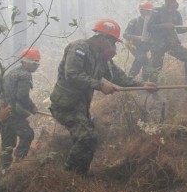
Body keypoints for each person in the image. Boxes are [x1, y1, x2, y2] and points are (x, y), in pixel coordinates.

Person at [49, 19, 157, 176]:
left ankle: (80, 175)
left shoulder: (101, 57)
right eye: (112, 42)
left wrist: (143, 85)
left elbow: (119, 77)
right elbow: (72, 74)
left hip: (80, 105)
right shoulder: (79, 48)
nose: (112, 46)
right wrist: (100, 85)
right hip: (65, 104)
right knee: (86, 138)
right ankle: (67, 176)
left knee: (89, 140)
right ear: (102, 37)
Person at [0, 48, 41, 172]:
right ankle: (18, 164)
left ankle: (4, 169)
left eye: (37, 64)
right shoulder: (24, 75)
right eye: (35, 64)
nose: (36, 67)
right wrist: (32, 107)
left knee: (8, 142)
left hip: (2, 110)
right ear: (27, 62)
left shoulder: (12, 73)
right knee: (28, 134)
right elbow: (22, 97)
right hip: (11, 113)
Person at [146, 0, 187, 83]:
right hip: (157, 45)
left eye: (172, 0)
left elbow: (179, 30)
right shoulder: (157, 11)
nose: (170, 2)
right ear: (165, 0)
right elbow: (149, 27)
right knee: (156, 68)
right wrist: (164, 26)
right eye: (168, 0)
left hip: (171, 43)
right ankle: (152, 90)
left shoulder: (176, 13)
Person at [123, 1, 154, 81]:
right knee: (141, 58)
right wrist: (137, 37)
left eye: (150, 11)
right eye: (148, 11)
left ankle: (143, 81)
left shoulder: (151, 23)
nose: (149, 13)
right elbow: (125, 35)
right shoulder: (134, 21)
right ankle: (130, 78)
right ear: (142, 11)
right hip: (132, 44)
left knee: (146, 62)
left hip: (143, 46)